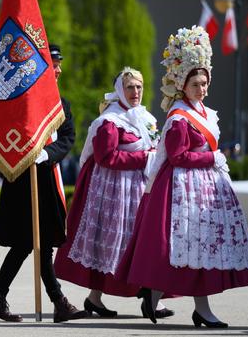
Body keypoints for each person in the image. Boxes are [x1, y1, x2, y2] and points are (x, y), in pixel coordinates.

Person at [115, 26, 248, 328]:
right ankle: (158, 295)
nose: (201, 88)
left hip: (205, 188)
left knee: (202, 249)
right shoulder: (179, 117)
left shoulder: (204, 111)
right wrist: (213, 157)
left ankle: (187, 305)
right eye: (195, 84)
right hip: (181, 189)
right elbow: (178, 156)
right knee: (184, 248)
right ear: (183, 85)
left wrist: (213, 160)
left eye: (204, 83)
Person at [54, 67, 173, 318]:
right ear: (120, 90)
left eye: (139, 86)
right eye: (130, 87)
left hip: (140, 188)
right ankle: (95, 298)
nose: (135, 92)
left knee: (144, 242)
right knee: (111, 244)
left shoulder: (146, 118)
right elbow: (105, 157)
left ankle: (152, 296)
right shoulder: (108, 121)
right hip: (114, 191)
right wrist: (143, 158)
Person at [0, 44, 87, 323]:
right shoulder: (22, 101)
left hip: (47, 177)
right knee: (27, 243)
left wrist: (47, 154)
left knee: (39, 244)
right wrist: (27, 154)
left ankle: (1, 298)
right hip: (23, 179)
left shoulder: (62, 104)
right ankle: (55, 301)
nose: (59, 69)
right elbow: (8, 132)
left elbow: (67, 138)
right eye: (54, 64)